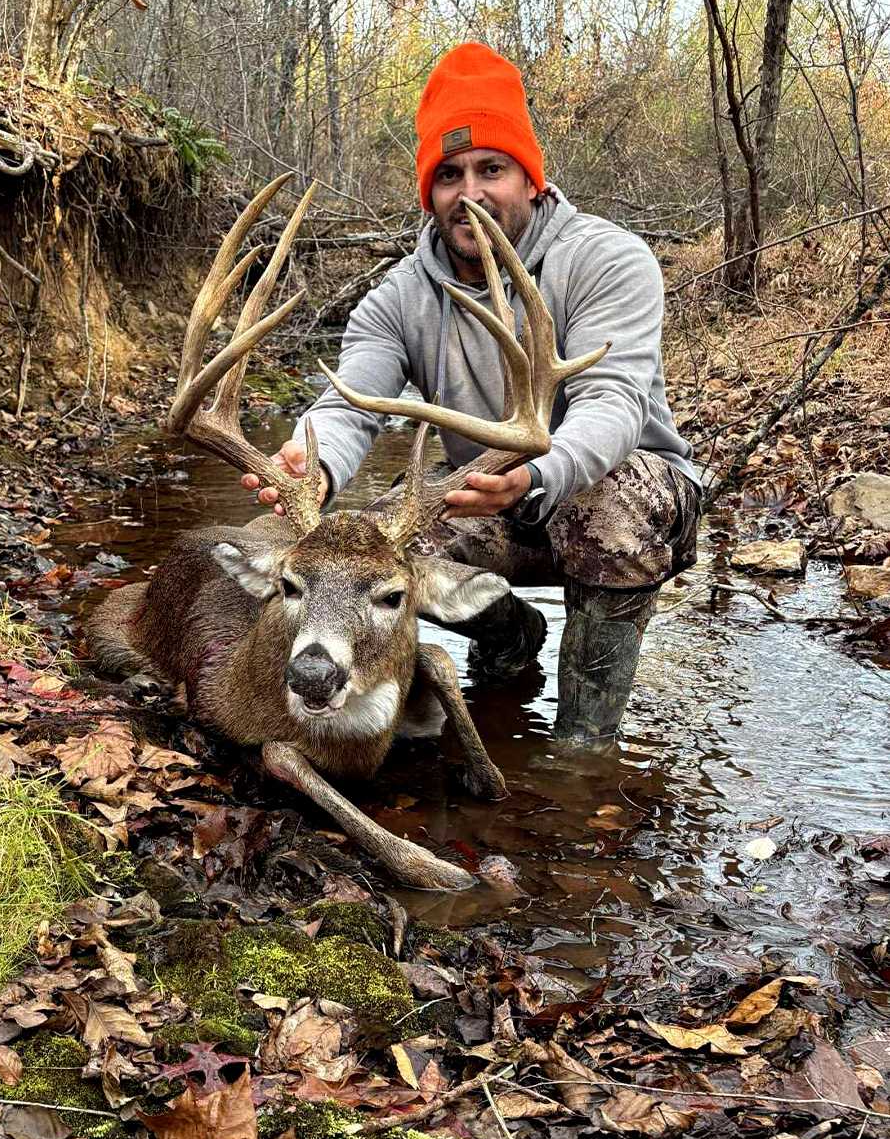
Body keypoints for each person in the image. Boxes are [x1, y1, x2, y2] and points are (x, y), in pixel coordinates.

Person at [242, 42, 701, 740]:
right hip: (481, 497)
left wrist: (534, 473)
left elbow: (615, 406)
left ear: (531, 179)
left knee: (611, 502)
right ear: (430, 192)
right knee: (372, 546)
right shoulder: (399, 297)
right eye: (449, 174)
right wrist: (318, 461)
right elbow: (346, 402)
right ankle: (511, 637)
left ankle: (582, 748)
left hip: (618, 492)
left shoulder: (607, 259)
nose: (471, 193)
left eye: (492, 168)